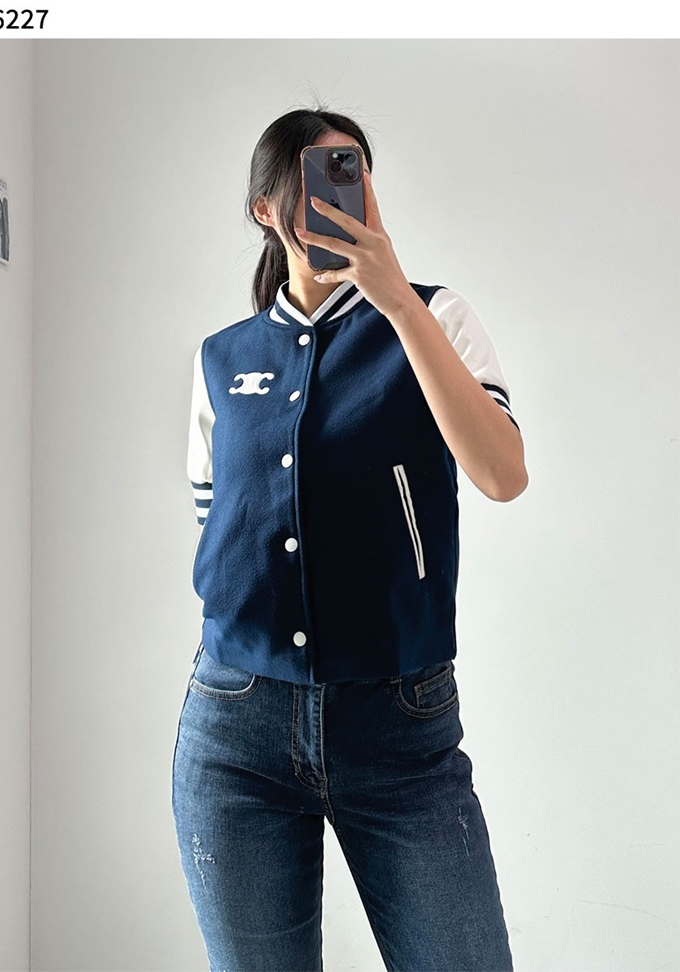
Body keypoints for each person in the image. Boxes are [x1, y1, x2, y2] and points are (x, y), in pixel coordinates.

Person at [172, 104, 527, 972]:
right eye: (321, 173)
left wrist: (396, 300)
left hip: (399, 723)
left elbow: (501, 473)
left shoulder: (433, 317)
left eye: (356, 170)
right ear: (267, 206)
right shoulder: (223, 358)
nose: (346, 190)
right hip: (236, 727)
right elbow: (216, 518)